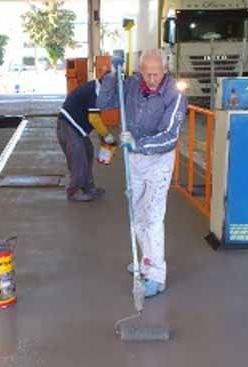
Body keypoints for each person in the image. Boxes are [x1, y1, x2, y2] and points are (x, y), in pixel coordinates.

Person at [97, 49, 187, 298]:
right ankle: (145, 259)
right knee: (135, 214)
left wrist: (139, 144)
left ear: (165, 70)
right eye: (146, 73)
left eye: (156, 74)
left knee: (154, 217)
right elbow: (103, 102)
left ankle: (157, 275)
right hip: (133, 160)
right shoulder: (133, 85)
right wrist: (112, 76)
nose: (151, 79)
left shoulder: (175, 95)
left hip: (159, 160)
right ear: (139, 71)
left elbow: (170, 137)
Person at [57, 79, 116, 201]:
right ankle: (73, 191)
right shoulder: (94, 91)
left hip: (76, 128)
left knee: (88, 151)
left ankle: (88, 187)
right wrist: (105, 135)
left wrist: (103, 137)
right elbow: (94, 118)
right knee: (78, 156)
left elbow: (95, 117)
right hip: (68, 125)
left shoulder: (96, 90)